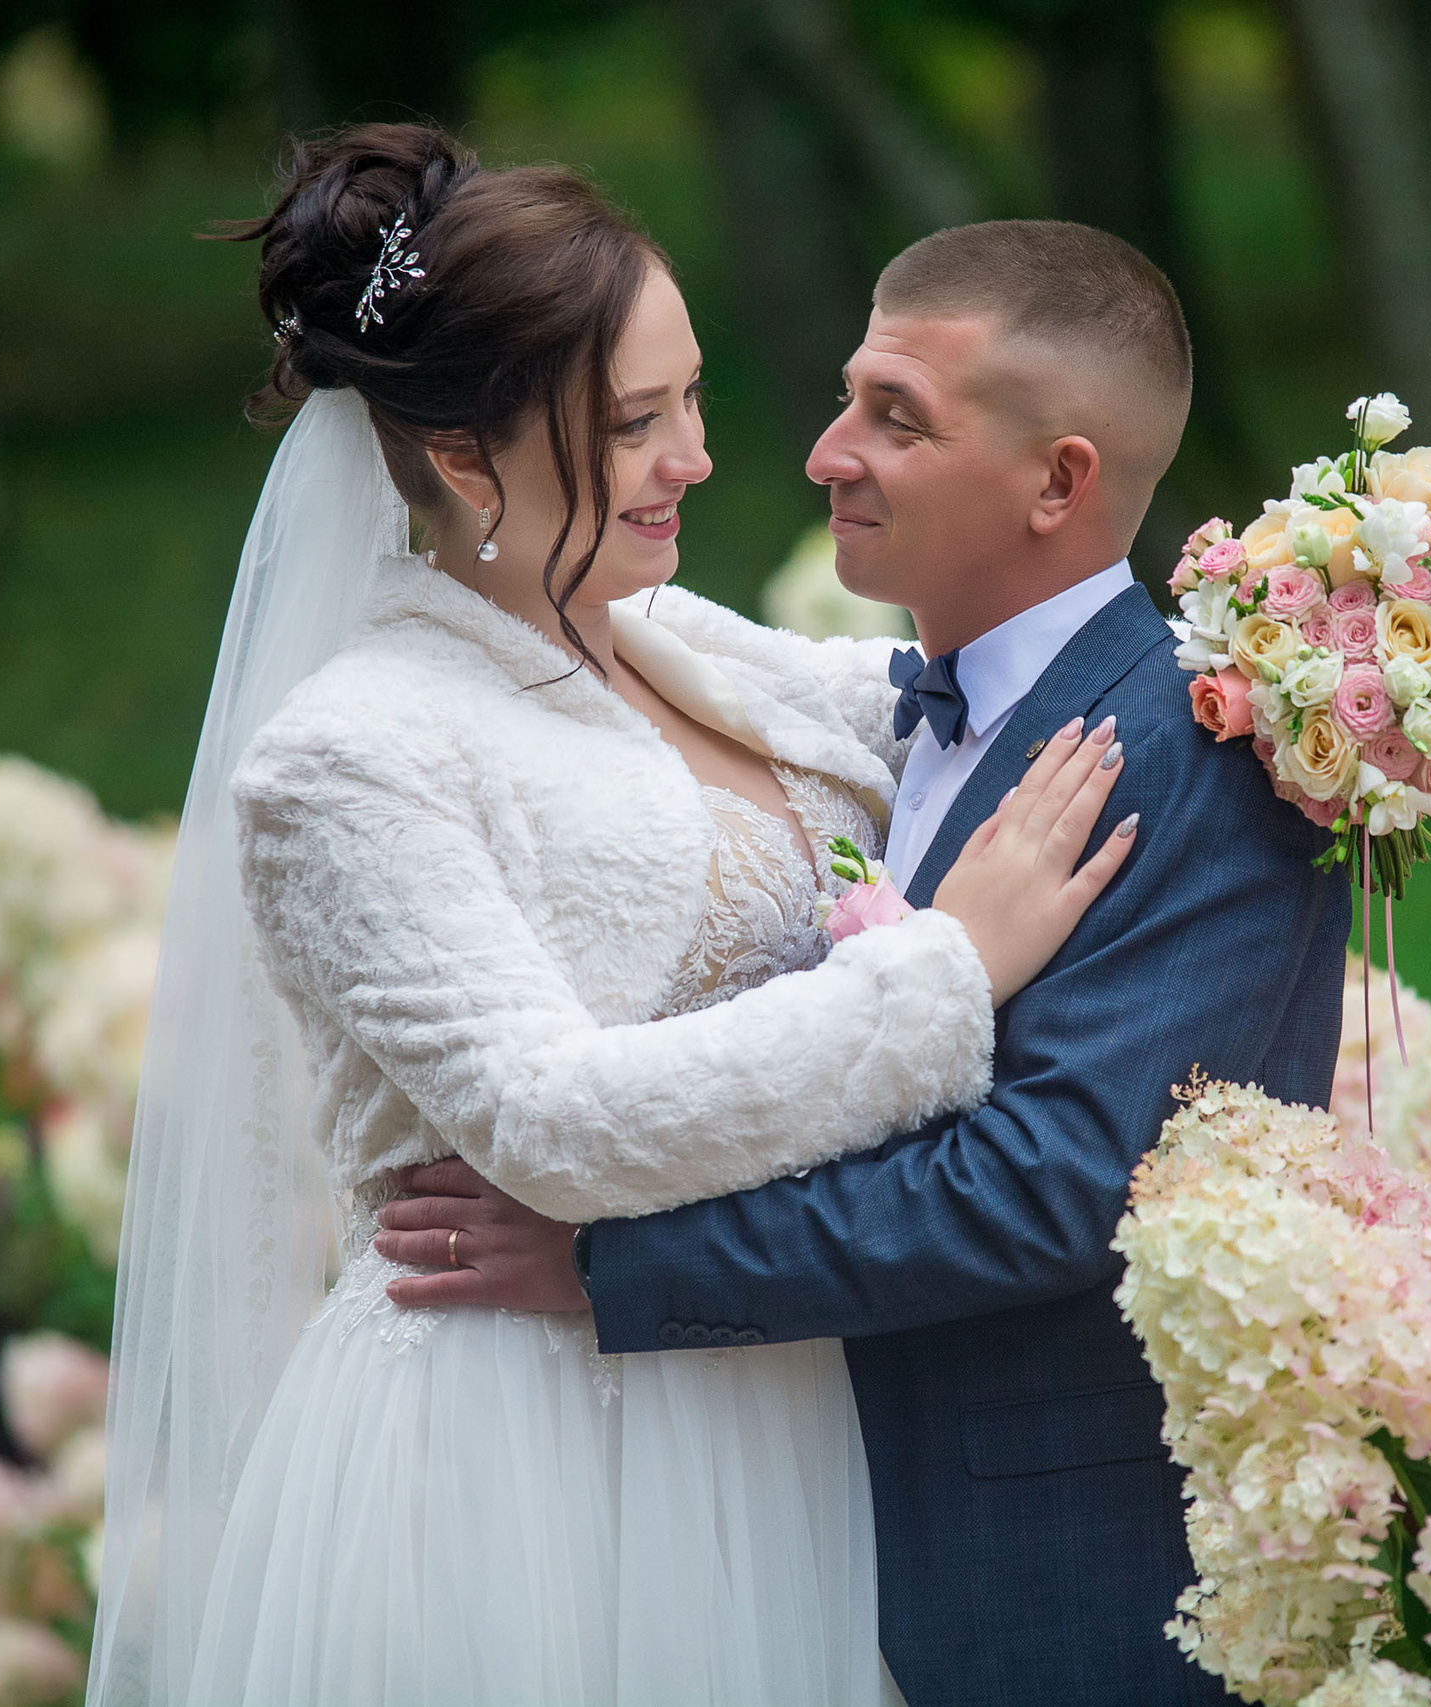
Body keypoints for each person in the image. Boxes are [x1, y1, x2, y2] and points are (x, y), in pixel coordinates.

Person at [88, 125, 1139, 1707]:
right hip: (523, 1449)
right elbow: (549, 1122)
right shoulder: (352, 754)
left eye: (692, 393)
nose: (698, 456)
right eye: (637, 422)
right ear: (461, 458)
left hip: (770, 1404)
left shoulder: (663, 634)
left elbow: (953, 704)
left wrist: (1295, 637)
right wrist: (943, 973)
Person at [378, 221, 1353, 1704]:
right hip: (818, 1528)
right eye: (847, 399)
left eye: (895, 418)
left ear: (1060, 482)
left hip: (1064, 1576)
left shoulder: (1193, 760)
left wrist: (608, 1266)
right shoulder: (879, 722)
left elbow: (1048, 1187)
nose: (826, 451)